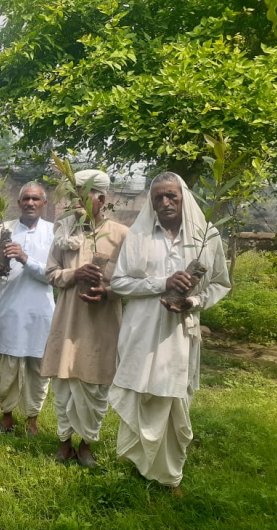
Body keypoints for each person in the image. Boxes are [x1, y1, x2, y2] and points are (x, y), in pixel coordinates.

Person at [109, 171, 230, 492]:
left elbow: (220, 282)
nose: (165, 202)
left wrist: (193, 300)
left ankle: (170, 475)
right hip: (142, 331)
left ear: (183, 197)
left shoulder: (206, 236)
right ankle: (138, 461)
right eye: (158, 197)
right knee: (141, 394)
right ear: (151, 202)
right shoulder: (139, 236)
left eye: (171, 195)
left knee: (174, 398)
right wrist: (162, 283)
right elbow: (119, 283)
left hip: (180, 333)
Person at [41, 170, 129, 466]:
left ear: (101, 198)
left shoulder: (121, 235)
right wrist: (73, 274)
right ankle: (64, 442)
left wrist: (108, 290)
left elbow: (132, 282)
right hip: (68, 319)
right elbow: (51, 272)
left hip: (103, 323)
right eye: (73, 193)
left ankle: (87, 443)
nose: (75, 200)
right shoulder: (64, 228)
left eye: (83, 193)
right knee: (64, 382)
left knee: (95, 384)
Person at [0, 182, 54, 435]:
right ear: (18, 202)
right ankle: (6, 416)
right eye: (25, 198)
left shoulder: (54, 233)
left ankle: (32, 419)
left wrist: (25, 258)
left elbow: (54, 276)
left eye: (36, 199)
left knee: (39, 368)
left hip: (40, 312)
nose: (30, 203)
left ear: (44, 203)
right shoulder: (3, 230)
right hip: (10, 310)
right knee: (8, 368)